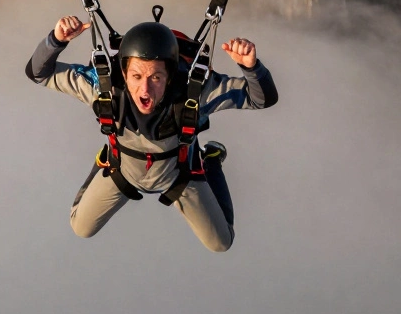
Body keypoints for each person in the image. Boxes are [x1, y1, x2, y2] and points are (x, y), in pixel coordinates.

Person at [26, 16, 278, 252]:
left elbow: (261, 99)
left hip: (180, 174)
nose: (145, 89)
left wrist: (251, 67)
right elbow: (38, 73)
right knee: (80, 227)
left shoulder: (195, 93)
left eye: (156, 77)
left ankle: (210, 160)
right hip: (122, 169)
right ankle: (104, 159)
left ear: (170, 76)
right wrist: (55, 41)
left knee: (221, 243)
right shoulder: (104, 89)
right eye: (136, 76)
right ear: (123, 73)